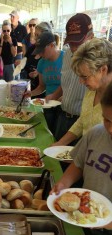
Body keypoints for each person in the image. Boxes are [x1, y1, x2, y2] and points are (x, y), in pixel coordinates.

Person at [51, 80, 112, 235]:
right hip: (87, 218)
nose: (110, 127)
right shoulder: (96, 133)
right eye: (106, 119)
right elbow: (78, 164)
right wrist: (65, 182)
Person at [53, 38, 112, 147]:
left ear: (103, 70)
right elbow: (83, 121)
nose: (81, 82)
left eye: (84, 77)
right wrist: (60, 143)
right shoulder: (92, 91)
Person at [54, 13, 94, 142]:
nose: (74, 48)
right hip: (63, 117)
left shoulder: (100, 63)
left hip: (84, 125)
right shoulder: (66, 55)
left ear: (91, 37)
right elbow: (66, 83)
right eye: (71, 43)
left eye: (78, 43)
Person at [26, 31, 64, 135]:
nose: (40, 54)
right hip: (48, 105)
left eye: (42, 50)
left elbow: (70, 84)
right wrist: (31, 93)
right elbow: (42, 86)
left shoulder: (65, 58)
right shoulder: (41, 63)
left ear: (52, 45)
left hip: (64, 107)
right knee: (47, 132)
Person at [24, 21, 52, 93]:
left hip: (43, 94)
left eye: (37, 35)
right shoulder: (31, 49)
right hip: (31, 89)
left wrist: (40, 73)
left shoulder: (50, 53)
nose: (35, 38)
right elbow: (25, 65)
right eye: (35, 35)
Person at [9, 10, 27, 77]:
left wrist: (16, 43)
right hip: (9, 54)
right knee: (10, 74)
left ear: (18, 18)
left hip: (19, 54)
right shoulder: (8, 27)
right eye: (11, 16)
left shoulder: (22, 28)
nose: (11, 18)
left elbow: (26, 43)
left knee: (17, 74)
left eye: (13, 17)